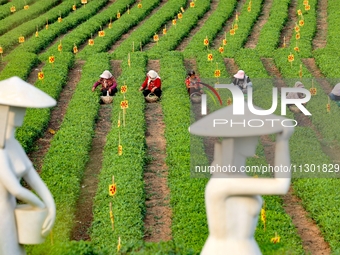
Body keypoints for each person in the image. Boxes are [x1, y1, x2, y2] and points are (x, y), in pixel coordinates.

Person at [189, 102, 293, 255]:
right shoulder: (222, 183)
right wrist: (282, 141)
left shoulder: (238, 177)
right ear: (236, 140)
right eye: (250, 135)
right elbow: (281, 185)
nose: (255, 139)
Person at [0, 77, 56, 254]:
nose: (22, 112)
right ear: (7, 112)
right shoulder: (0, 151)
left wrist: (51, 205)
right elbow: (15, 189)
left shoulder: (14, 145)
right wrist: (40, 205)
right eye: (18, 109)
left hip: (10, 211)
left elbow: (32, 177)